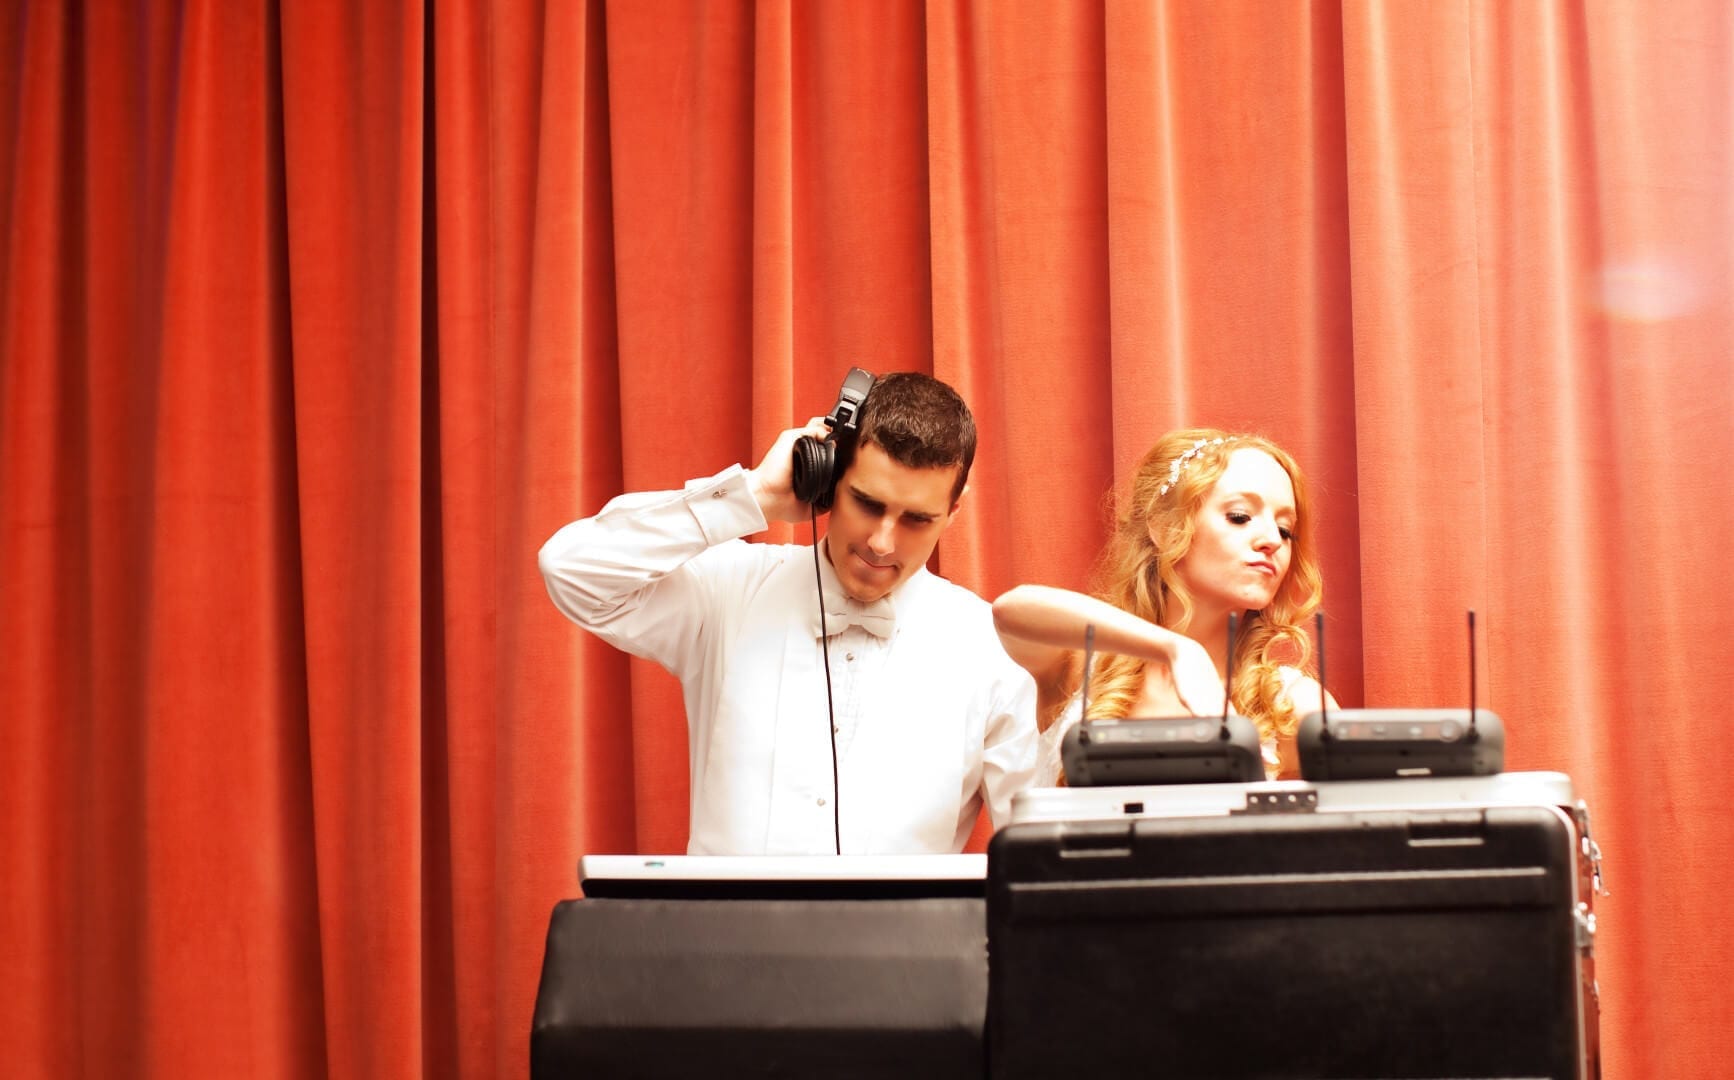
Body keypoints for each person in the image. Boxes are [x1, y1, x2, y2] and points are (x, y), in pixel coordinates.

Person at [539, 372, 1038, 854]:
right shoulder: (728, 591)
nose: (882, 543)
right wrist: (756, 495)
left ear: (954, 510)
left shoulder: (995, 653)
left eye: (917, 519)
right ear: (827, 480)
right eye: (867, 503)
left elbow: (1041, 848)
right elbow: (571, 568)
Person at [992, 428, 1335, 783]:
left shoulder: (1292, 705)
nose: (1271, 540)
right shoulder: (1079, 664)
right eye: (1239, 516)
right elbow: (1010, 610)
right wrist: (1178, 650)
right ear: (1166, 528)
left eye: (1285, 529)